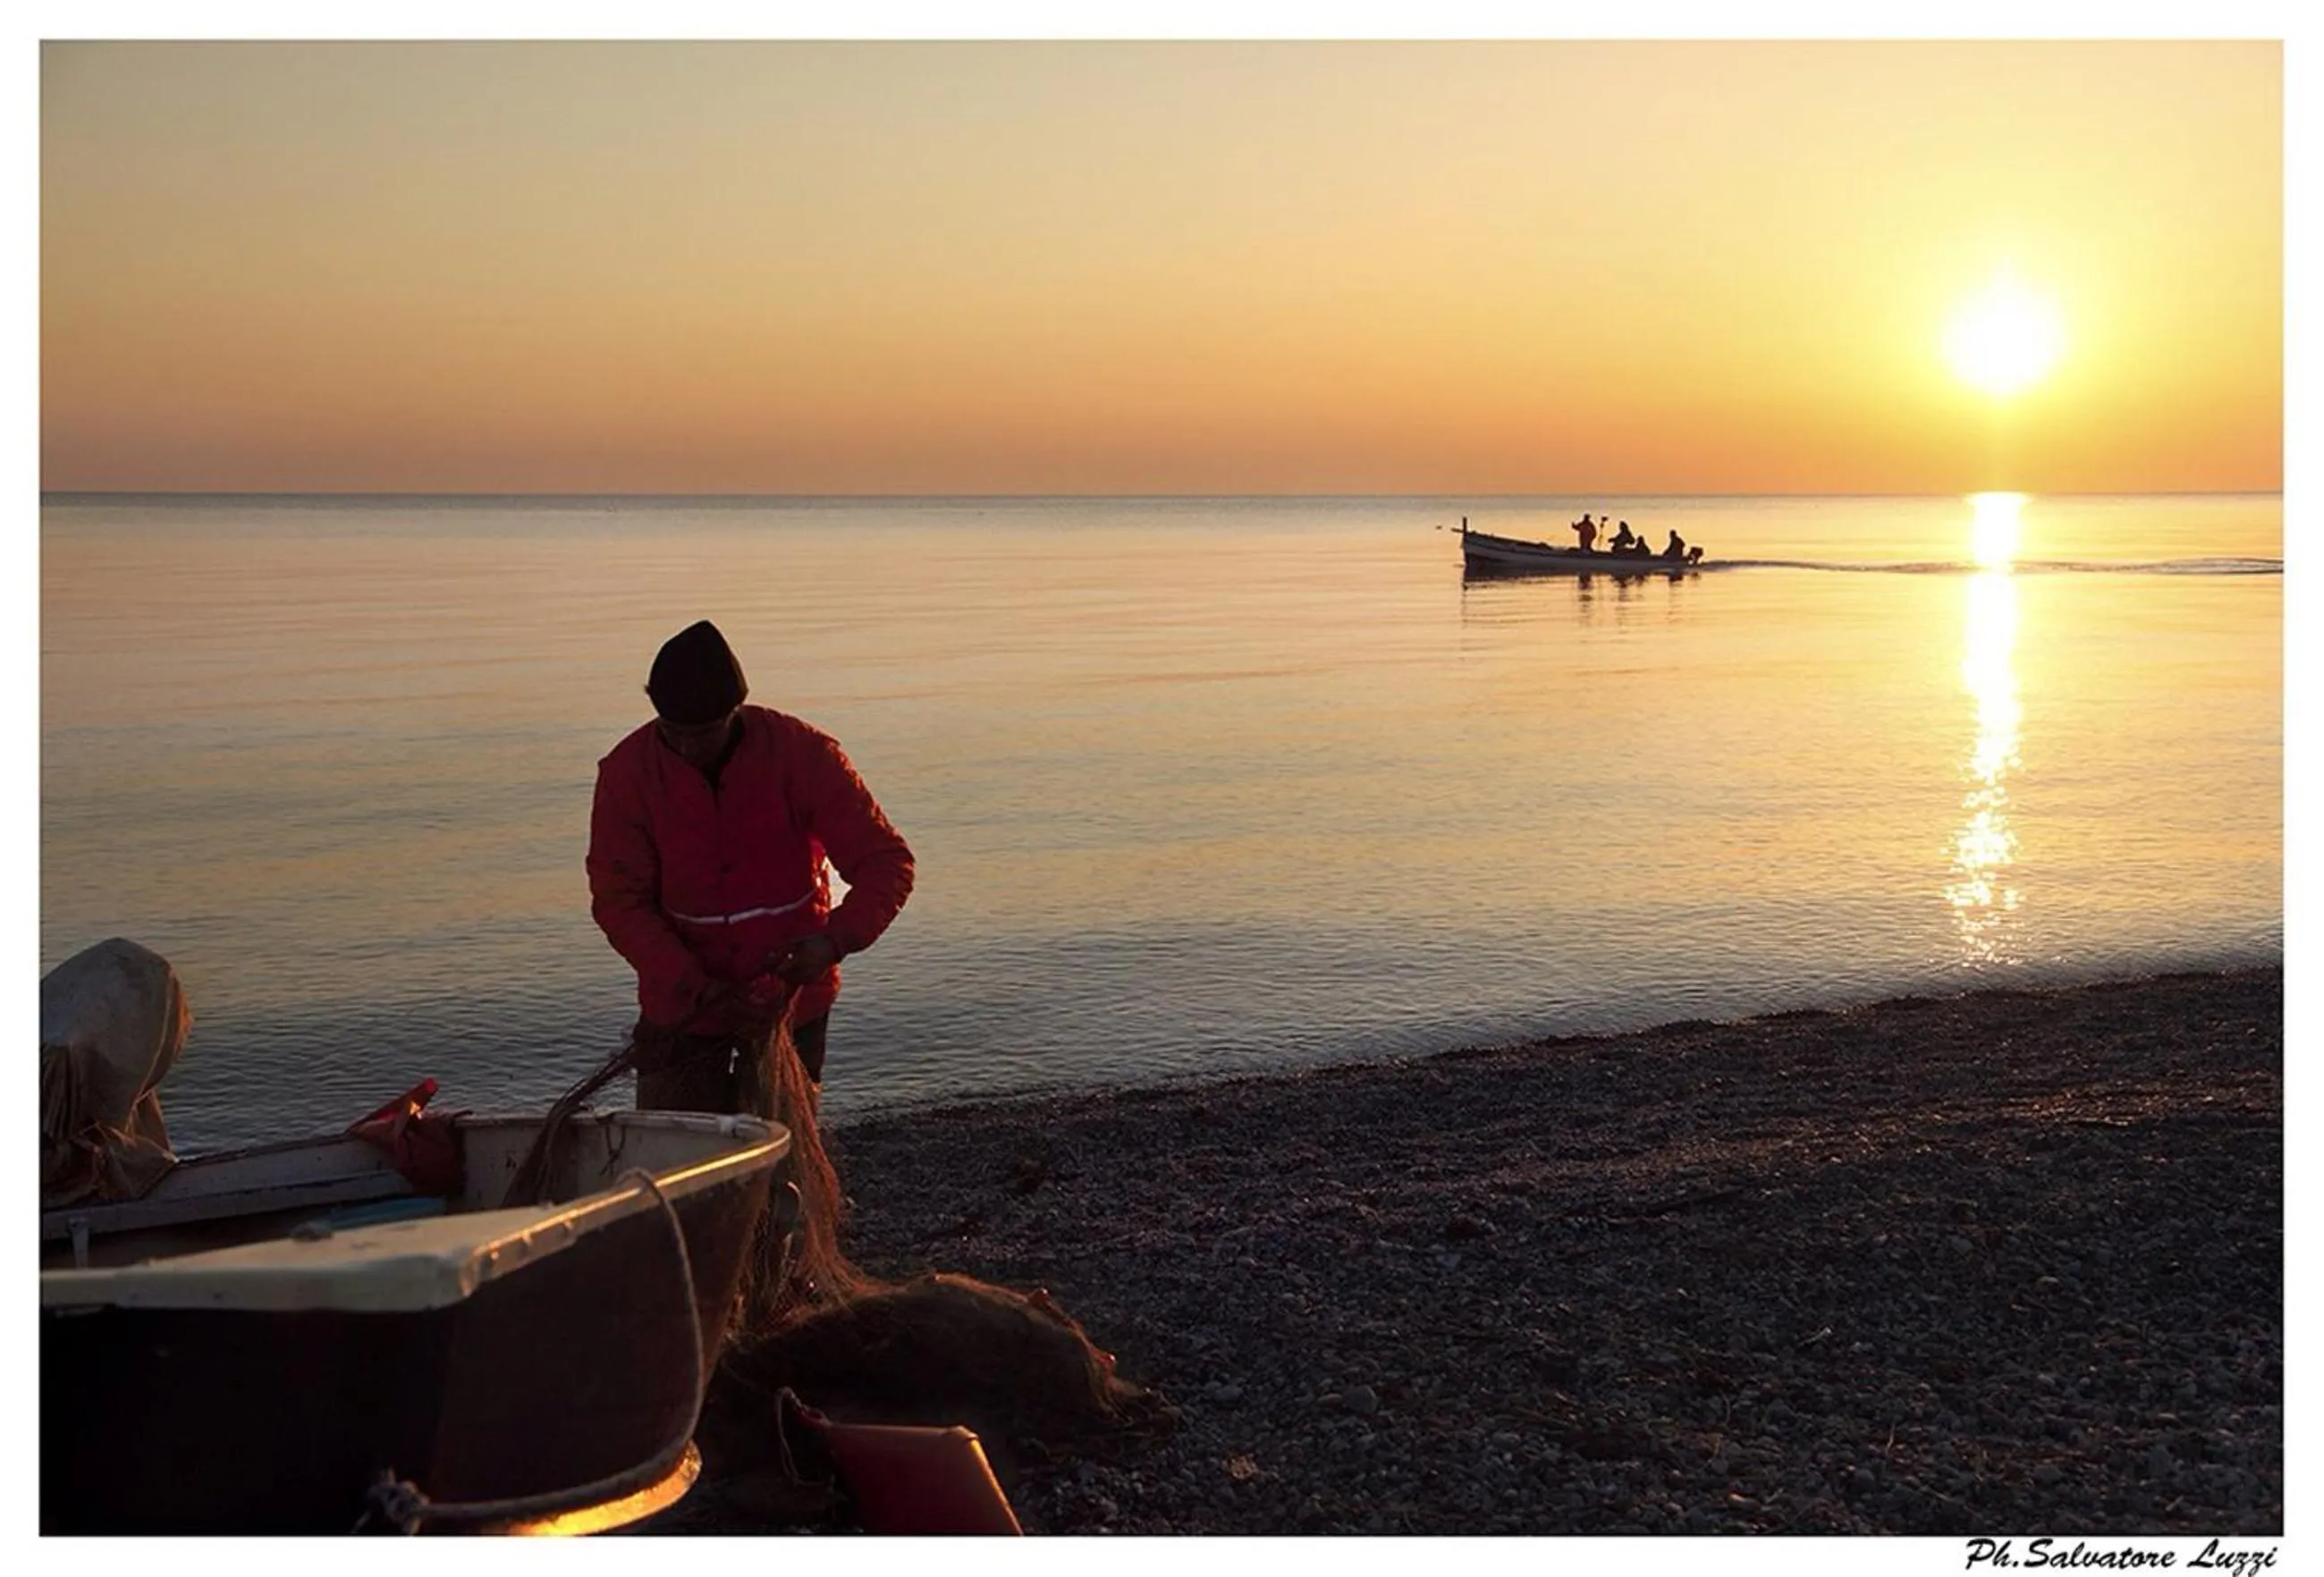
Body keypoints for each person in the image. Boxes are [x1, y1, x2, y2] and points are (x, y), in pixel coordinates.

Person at [587, 620, 915, 1114]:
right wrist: (688, 981)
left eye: (704, 733)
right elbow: (619, 902)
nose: (689, 748)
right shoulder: (627, 774)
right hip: (682, 1005)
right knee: (676, 1142)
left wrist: (833, 941)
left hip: (791, 998)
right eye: (674, 733)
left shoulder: (803, 755)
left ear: (734, 711)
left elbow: (886, 863)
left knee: (782, 1138)